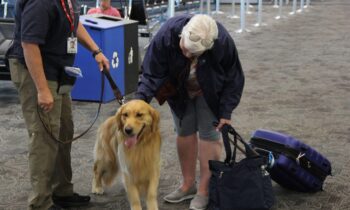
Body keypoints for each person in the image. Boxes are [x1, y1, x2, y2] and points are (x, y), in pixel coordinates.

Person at [6, 0, 110, 209]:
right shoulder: (41, 2)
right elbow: (29, 44)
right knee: (44, 137)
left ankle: (61, 191)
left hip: (57, 69)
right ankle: (41, 202)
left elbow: (74, 23)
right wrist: (43, 90)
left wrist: (95, 50)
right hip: (35, 72)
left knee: (63, 131)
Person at [135, 14, 245, 210]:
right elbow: (151, 71)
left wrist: (226, 112)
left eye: (194, 53)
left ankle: (204, 189)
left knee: (209, 135)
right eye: (184, 48)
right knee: (184, 132)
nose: (187, 54)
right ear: (182, 35)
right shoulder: (166, 34)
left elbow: (234, 77)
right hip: (179, 91)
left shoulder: (222, 41)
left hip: (210, 91)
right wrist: (139, 100)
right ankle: (187, 185)